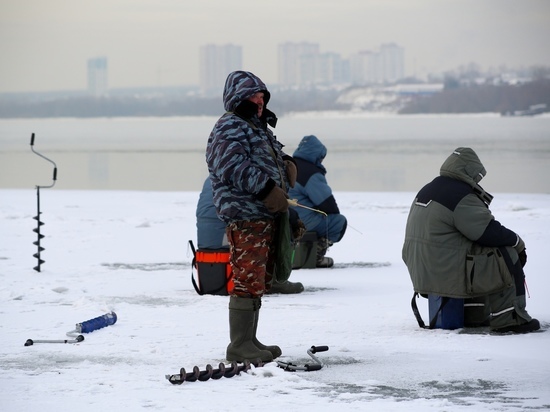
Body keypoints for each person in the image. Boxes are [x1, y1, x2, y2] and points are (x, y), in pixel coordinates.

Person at [205, 70, 303, 363]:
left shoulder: (257, 128)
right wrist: (267, 190)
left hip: (265, 214)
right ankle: (239, 346)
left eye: (262, 96)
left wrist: (285, 163)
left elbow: (266, 157)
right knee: (247, 277)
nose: (260, 101)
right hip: (245, 214)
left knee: (256, 278)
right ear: (239, 98)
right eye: (254, 96)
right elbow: (231, 165)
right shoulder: (229, 126)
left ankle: (250, 340)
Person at [402, 147, 540, 334]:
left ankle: (472, 315)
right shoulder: (459, 195)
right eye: (476, 176)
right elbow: (487, 232)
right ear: (468, 171)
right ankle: (510, 319)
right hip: (442, 269)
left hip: (423, 269)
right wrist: (518, 243)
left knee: (478, 253)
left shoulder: (430, 188)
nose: (477, 180)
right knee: (505, 253)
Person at [196, 175, 304, 294]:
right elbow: (261, 206)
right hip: (228, 238)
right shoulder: (249, 176)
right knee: (281, 221)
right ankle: (274, 280)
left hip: (208, 242)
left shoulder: (216, 173)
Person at [288, 135, 347, 268]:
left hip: (285, 217)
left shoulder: (289, 165)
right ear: (315, 155)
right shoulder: (310, 173)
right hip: (303, 221)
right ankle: (315, 257)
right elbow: (327, 203)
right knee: (338, 222)